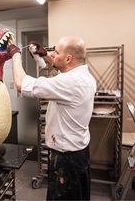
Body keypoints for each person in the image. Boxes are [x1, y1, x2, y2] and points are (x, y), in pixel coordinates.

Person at [8, 37, 96, 200]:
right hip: (78, 152)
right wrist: (46, 54)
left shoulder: (70, 82)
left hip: (66, 158)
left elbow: (21, 84)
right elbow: (65, 70)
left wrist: (15, 55)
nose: (53, 54)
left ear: (68, 58)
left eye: (56, 52)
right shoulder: (85, 76)